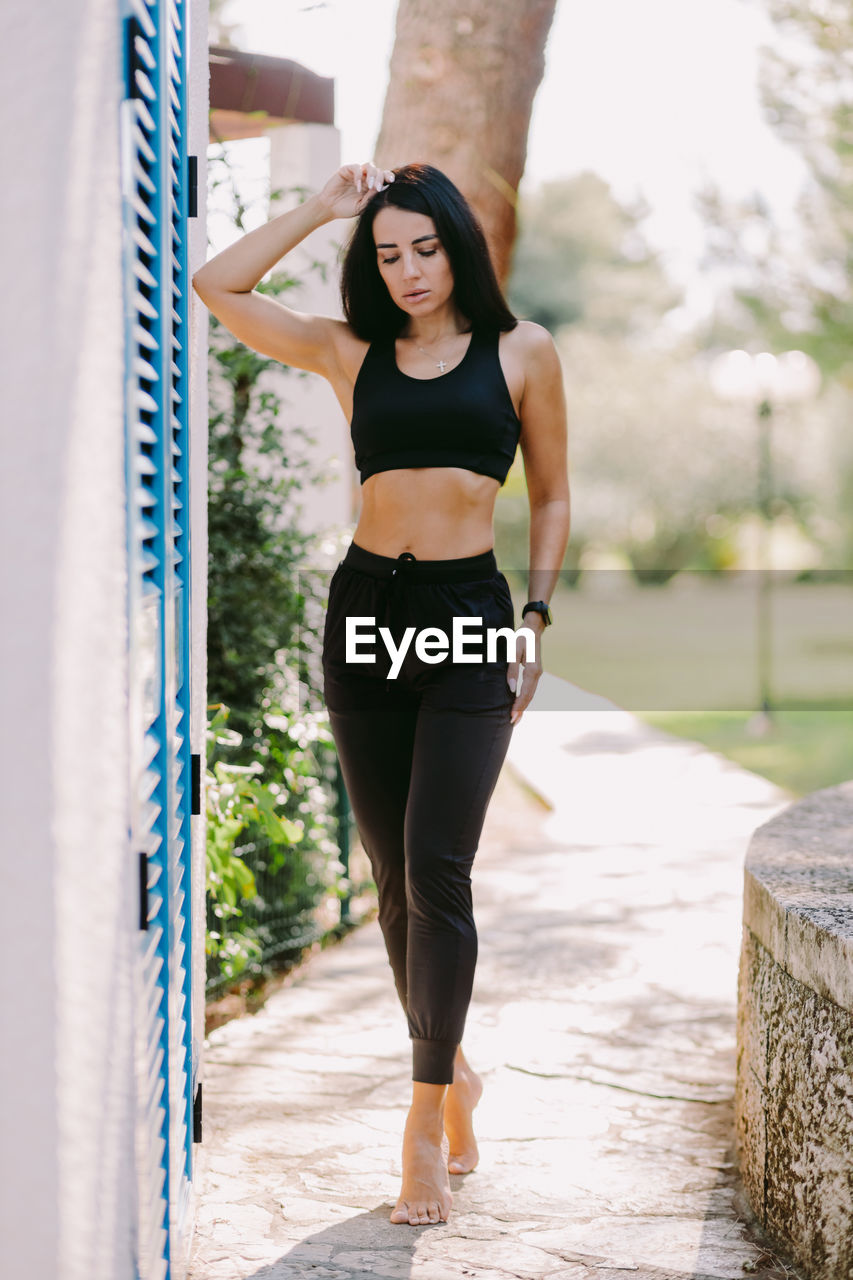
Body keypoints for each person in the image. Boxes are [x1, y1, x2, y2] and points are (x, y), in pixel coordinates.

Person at [192, 159, 570, 1228]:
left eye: (425, 247)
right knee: (392, 875)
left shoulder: (522, 352)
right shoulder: (349, 351)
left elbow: (551, 496)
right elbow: (217, 289)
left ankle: (418, 1122)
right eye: (388, 252)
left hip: (467, 617)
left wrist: (532, 618)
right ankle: (456, 1072)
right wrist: (320, 210)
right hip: (364, 613)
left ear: (459, 245)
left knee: (439, 867)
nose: (407, 270)